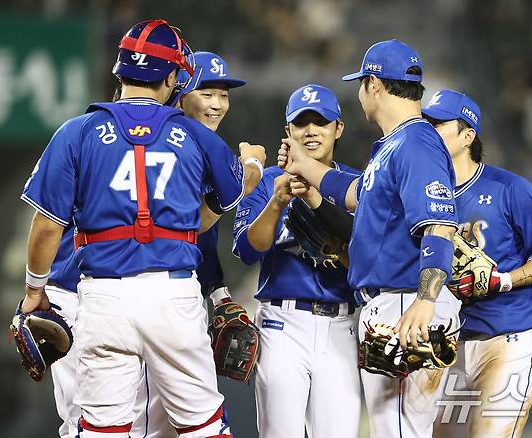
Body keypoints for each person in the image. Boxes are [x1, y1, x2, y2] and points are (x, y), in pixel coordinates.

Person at [19, 19, 265, 438]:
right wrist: (254, 168)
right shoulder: (195, 135)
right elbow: (218, 205)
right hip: (172, 294)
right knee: (204, 426)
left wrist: (33, 292)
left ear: (120, 72)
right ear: (172, 77)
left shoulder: (76, 132)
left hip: (103, 295)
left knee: (102, 429)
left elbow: (45, 228)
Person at [277, 40, 461, 438]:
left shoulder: (416, 142)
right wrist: (305, 165)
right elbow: (359, 194)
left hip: (405, 303)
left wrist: (426, 300)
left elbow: (440, 225)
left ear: (374, 84)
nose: (360, 92)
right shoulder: (397, 144)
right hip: (396, 300)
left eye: (361, 83)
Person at [421, 89, 532, 438]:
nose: (430, 131)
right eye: (426, 124)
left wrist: (503, 280)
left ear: (467, 135)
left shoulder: (510, 188)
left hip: (507, 338)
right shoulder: (422, 192)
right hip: (445, 343)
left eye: (439, 124)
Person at [232, 84, 361, 438]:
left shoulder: (354, 184)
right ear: (288, 131)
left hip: (340, 325)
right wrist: (276, 203)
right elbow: (247, 251)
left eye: (320, 122)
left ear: (338, 128)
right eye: (301, 123)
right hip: (282, 325)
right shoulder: (269, 181)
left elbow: (368, 256)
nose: (310, 131)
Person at [132, 50, 248, 438]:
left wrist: (217, 293)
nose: (216, 104)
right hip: (148, 291)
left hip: (174, 295)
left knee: (170, 423)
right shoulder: (165, 145)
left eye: (224, 94)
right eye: (206, 92)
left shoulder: (200, 147)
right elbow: (190, 227)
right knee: (150, 421)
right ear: (179, 93)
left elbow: (204, 238)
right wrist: (249, 174)